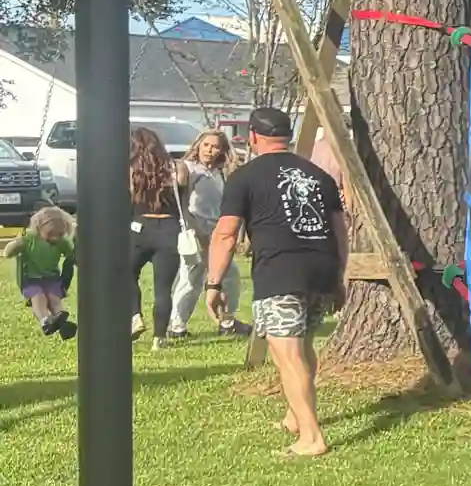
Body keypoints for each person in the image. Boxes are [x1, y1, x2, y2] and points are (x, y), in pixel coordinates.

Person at [203, 104, 347, 457]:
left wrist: (213, 283)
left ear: (253, 137)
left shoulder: (245, 177)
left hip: (280, 271)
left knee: (287, 356)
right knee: (303, 345)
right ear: (287, 136)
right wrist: (339, 277)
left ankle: (311, 438)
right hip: (322, 268)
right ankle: (294, 417)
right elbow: (340, 232)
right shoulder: (317, 175)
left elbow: (226, 234)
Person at [169, 130, 244, 339]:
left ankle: (227, 321)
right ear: (199, 146)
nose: (210, 151)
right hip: (194, 230)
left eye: (215, 147)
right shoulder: (190, 170)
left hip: (217, 230)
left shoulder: (221, 172)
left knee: (229, 277)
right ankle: (176, 326)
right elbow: (182, 205)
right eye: (206, 146)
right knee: (190, 279)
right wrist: (194, 230)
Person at [124, 125, 181, 353]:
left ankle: (134, 315)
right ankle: (160, 338)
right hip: (169, 228)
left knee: (125, 273)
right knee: (163, 289)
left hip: (140, 227)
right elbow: (184, 198)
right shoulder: (176, 168)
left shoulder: (129, 170)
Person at [16, 205, 76, 339]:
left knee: (54, 299)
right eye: (50, 234)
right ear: (39, 228)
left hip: (52, 278)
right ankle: (45, 322)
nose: (55, 238)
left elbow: (71, 254)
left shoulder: (61, 242)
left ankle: (61, 323)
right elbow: (13, 248)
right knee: (39, 298)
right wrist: (15, 246)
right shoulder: (30, 238)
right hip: (31, 278)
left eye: (59, 235)